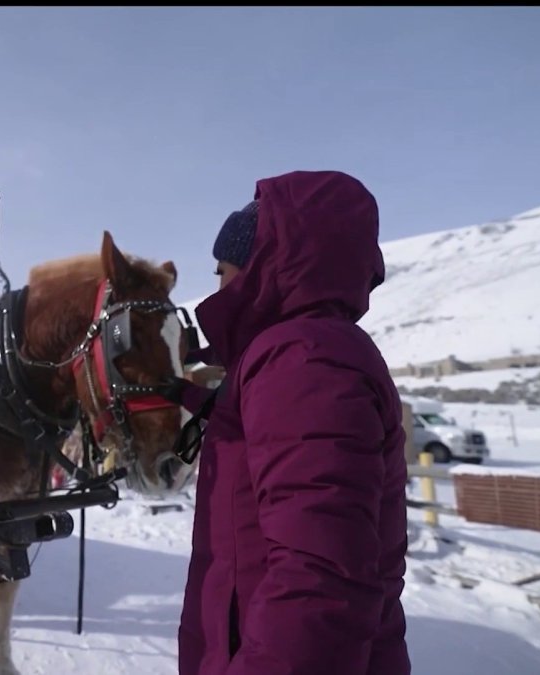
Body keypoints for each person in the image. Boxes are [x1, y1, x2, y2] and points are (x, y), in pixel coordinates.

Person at [164, 170, 411, 674]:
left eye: (222, 269)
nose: (217, 284)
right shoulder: (298, 353)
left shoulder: (301, 359)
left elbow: (321, 579)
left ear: (260, 266)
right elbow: (257, 435)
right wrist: (180, 393)